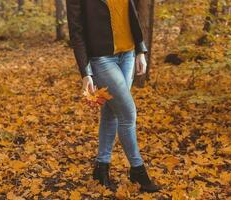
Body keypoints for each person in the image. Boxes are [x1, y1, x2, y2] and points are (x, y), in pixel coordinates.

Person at [66, 0, 161, 193]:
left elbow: (131, 13)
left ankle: (101, 168)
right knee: (128, 114)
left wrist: (140, 48)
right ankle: (137, 170)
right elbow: (76, 32)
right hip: (101, 59)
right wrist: (85, 72)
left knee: (112, 112)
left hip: (128, 54)